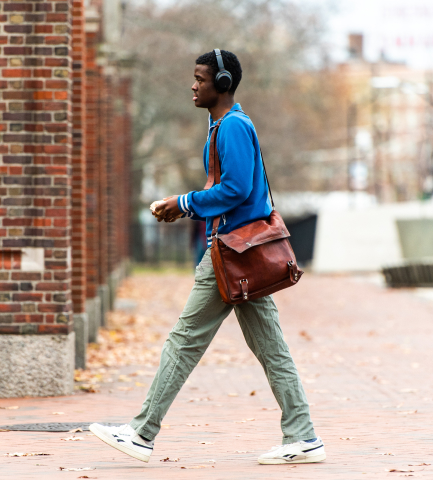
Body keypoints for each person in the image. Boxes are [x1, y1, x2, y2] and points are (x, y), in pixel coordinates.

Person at [89, 49, 326, 466]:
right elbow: (229, 187)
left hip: (231, 254)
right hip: (239, 253)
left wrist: (183, 202)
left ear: (221, 82)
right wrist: (189, 205)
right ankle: (303, 435)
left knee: (184, 341)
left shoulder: (232, 127)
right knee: (272, 349)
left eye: (200, 78)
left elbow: (234, 189)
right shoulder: (225, 125)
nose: (193, 85)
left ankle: (142, 433)